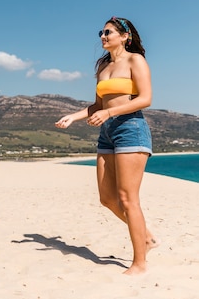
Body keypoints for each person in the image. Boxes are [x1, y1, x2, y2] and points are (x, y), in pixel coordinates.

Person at [55, 16, 158, 275]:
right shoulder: (103, 68)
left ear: (125, 37)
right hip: (107, 133)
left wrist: (110, 115)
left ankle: (139, 263)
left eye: (109, 32)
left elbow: (145, 99)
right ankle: (146, 236)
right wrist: (74, 116)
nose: (103, 36)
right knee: (107, 198)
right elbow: (99, 106)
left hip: (130, 129)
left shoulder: (136, 61)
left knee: (127, 198)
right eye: (101, 32)